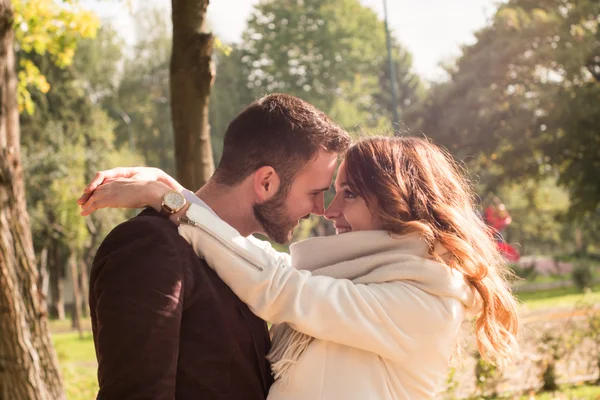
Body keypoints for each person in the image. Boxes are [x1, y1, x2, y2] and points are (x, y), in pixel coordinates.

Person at [81, 136, 520, 399]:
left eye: (348, 193)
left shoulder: (426, 300)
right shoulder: (358, 279)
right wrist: (173, 192)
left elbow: (277, 285)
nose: (329, 212)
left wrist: (169, 199)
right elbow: (255, 262)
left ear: (394, 201)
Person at [80, 93, 351, 400]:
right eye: (315, 193)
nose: (319, 209)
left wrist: (168, 191)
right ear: (266, 183)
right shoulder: (151, 246)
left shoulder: (249, 259)